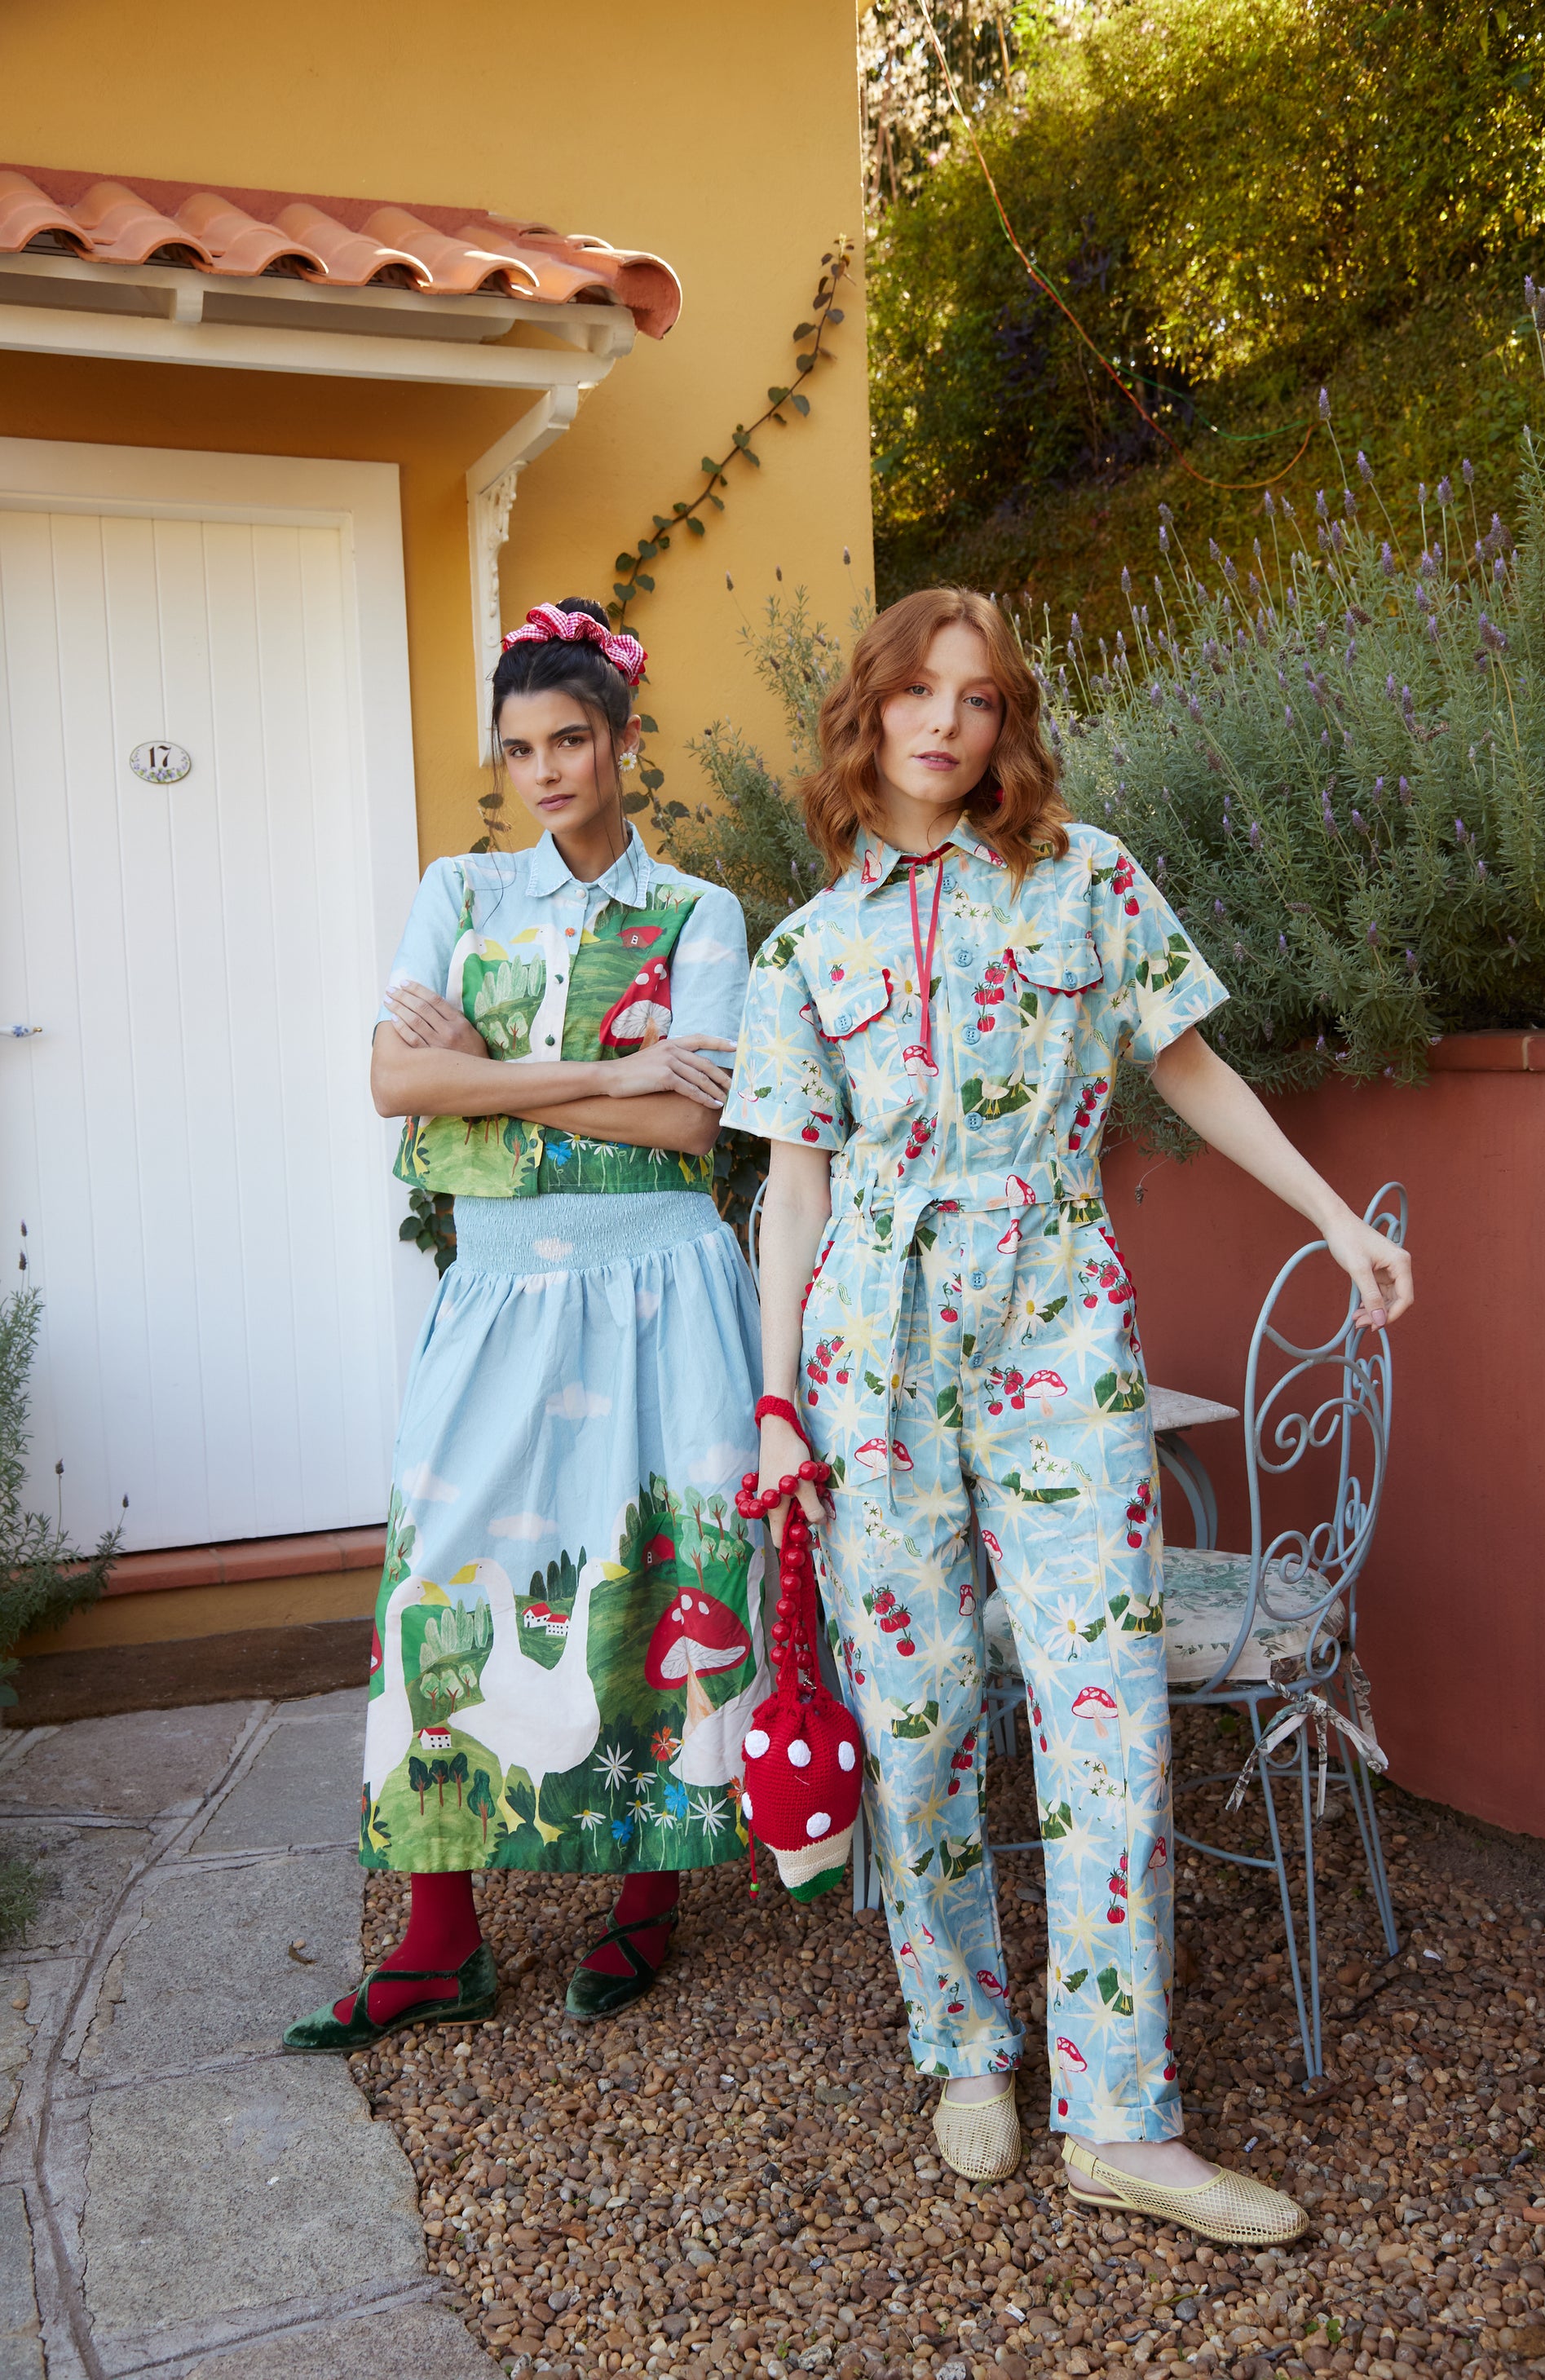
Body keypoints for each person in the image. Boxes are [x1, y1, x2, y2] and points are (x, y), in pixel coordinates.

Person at [724, 587, 1411, 2242]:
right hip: (872, 1355)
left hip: (1056, 1325)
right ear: (869, 711)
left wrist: (1333, 1217)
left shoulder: (1087, 876)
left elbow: (1187, 1066)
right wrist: (776, 1403)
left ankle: (1121, 2116)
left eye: (977, 697)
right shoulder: (803, 946)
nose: (944, 723)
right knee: (917, 1722)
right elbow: (792, 1190)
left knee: (1105, 1711)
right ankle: (963, 2043)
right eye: (917, 692)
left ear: (1005, 721)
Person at [286, 599, 766, 2051]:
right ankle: (439, 1940)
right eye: (520, 750)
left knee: (654, 1564)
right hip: (495, 1290)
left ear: (622, 742)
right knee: (440, 1575)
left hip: (663, 1283)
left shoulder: (699, 914)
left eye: (571, 740)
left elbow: (691, 1125)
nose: (546, 770)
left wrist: (489, 1066)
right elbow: (397, 1085)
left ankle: (645, 1896)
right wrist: (604, 1071)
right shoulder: (462, 891)